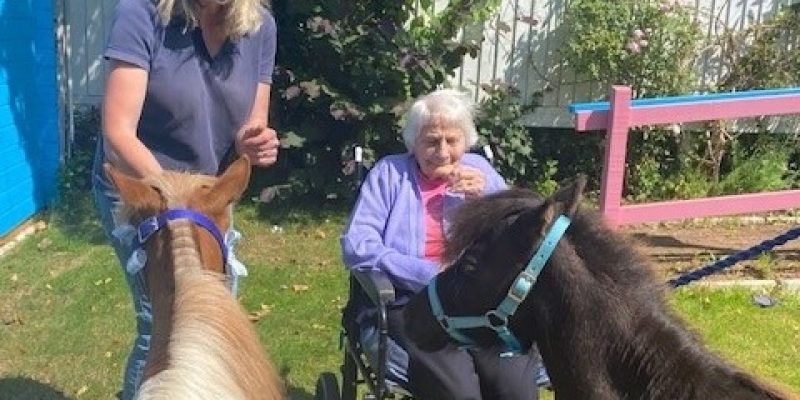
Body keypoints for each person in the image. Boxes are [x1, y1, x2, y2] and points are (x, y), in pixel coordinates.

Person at [90, 0, 279, 398]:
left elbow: (251, 123)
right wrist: (173, 199)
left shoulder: (259, 27)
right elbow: (118, 133)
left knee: (214, 309)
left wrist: (253, 142)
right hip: (140, 187)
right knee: (161, 318)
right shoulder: (142, 13)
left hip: (204, 194)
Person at [341, 89, 544, 399]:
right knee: (459, 392)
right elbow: (358, 245)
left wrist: (488, 200)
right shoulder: (389, 174)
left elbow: (518, 238)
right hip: (412, 302)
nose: (443, 152)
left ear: (466, 140)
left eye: (452, 140)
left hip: (482, 304)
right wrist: (426, 271)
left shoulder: (481, 173)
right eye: (432, 141)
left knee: (515, 388)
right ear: (414, 143)